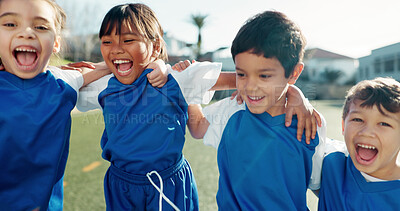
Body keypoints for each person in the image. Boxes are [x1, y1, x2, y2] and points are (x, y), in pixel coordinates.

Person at [74, 3, 238, 211]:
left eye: (128, 40)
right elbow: (58, 84)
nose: (116, 48)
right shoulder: (103, 85)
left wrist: (289, 91)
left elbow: (251, 77)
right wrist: (104, 66)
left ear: (156, 46)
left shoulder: (176, 78)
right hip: (121, 187)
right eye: (107, 42)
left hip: (169, 186)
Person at [187, 11, 326, 210]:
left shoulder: (309, 123)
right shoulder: (232, 111)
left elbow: (320, 185)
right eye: (241, 74)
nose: (251, 87)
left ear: (294, 73)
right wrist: (190, 95)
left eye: (264, 76)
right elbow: (197, 127)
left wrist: (294, 93)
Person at [0, 0, 112, 210]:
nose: (27, 32)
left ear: (56, 43)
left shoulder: (62, 81)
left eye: (41, 27)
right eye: (10, 24)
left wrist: (158, 63)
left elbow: (118, 64)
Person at [317, 77, 400, 210]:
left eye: (384, 123)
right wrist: (297, 99)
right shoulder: (328, 160)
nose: (367, 132)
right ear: (343, 125)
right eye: (358, 119)